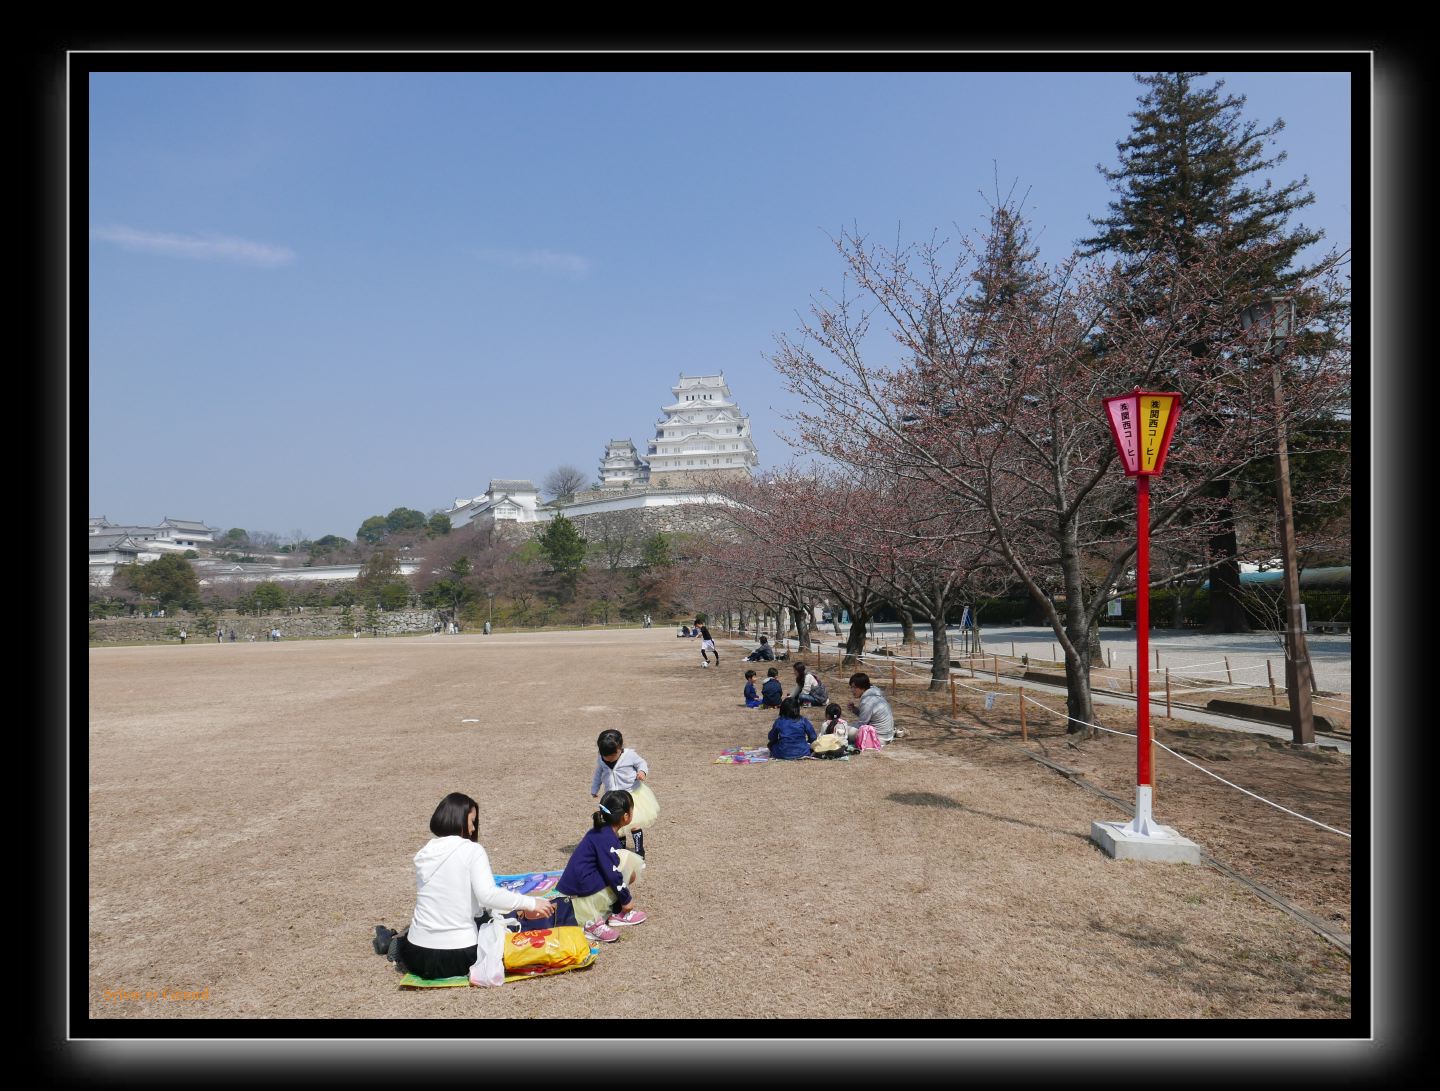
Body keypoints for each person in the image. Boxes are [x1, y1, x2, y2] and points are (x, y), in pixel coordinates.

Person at [394, 792, 556, 980]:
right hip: (458, 956)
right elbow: (487, 895)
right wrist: (531, 903)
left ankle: (396, 942)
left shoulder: (424, 853)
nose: (472, 829)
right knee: (492, 921)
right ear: (458, 820)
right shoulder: (471, 850)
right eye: (471, 821)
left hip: (415, 956)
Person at [555, 789, 649, 945]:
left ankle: (613, 911)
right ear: (626, 817)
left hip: (581, 883)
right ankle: (591, 922)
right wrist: (626, 901)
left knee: (626, 864)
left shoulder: (602, 832)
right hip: (582, 889)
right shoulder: (607, 838)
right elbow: (612, 874)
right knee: (625, 867)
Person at [590, 729, 658, 858]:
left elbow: (641, 763)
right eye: (606, 757)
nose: (609, 760)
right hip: (614, 799)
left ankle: (639, 851)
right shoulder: (601, 760)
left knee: (634, 824)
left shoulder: (630, 755)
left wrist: (642, 771)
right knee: (619, 827)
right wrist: (595, 788)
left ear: (620, 748)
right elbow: (598, 774)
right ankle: (621, 850)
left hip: (632, 795)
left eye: (612, 756)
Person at [845, 672, 901, 744]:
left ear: (863, 687)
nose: (852, 690)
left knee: (845, 730)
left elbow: (862, 724)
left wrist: (847, 728)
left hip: (879, 738)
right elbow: (868, 716)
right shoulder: (875, 694)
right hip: (888, 736)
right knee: (850, 727)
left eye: (855, 687)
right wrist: (854, 709)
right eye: (851, 687)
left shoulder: (867, 702)